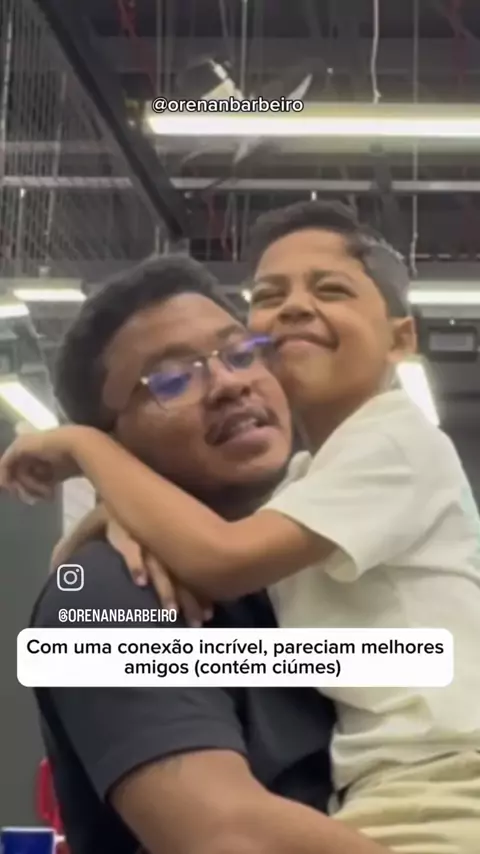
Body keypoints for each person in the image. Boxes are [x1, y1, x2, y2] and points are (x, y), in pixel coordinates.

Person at [4, 202, 480, 852]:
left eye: (239, 353)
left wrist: (114, 495)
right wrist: (100, 477)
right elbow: (226, 835)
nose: (229, 384)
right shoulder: (107, 591)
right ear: (116, 442)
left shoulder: (294, 536)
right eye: (172, 379)